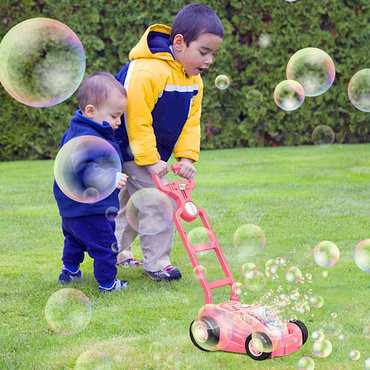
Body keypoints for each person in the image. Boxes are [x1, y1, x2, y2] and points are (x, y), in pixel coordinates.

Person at [114, 4, 224, 281]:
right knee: (160, 202)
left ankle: (115, 251)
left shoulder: (194, 80)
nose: (209, 60)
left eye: (213, 53)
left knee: (132, 203)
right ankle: (157, 264)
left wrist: (186, 158)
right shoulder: (147, 72)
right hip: (124, 146)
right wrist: (150, 159)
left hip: (149, 152)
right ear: (179, 43)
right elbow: (134, 119)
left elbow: (190, 121)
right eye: (203, 51)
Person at [53, 72, 129, 292]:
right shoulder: (86, 136)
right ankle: (107, 284)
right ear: (90, 111)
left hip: (71, 209)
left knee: (74, 241)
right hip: (91, 209)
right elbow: (83, 167)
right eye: (115, 116)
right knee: (105, 246)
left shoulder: (77, 130)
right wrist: (110, 178)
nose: (118, 122)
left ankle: (70, 271)